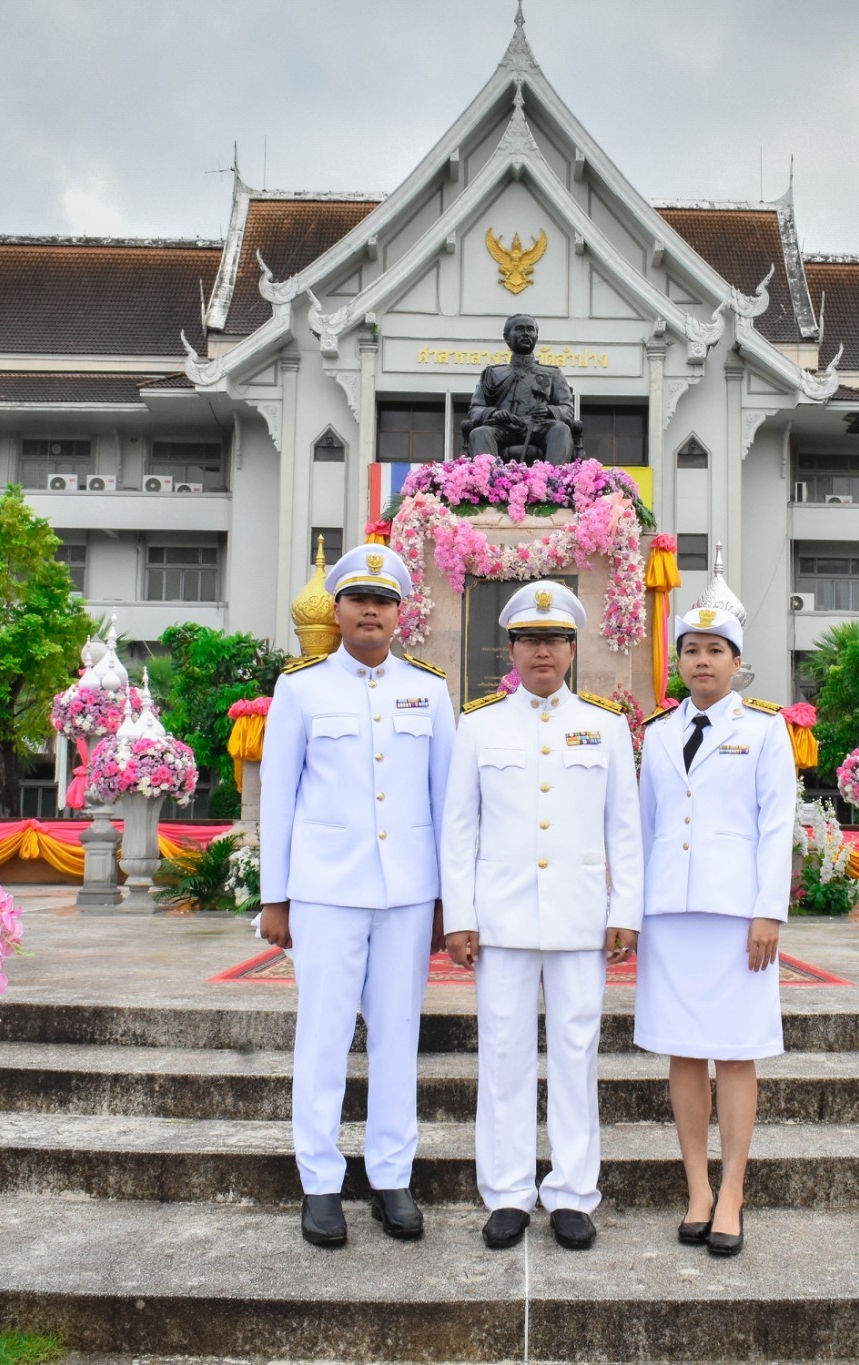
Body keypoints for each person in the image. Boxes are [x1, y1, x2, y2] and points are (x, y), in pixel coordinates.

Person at [257, 544, 455, 1248]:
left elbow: (446, 802)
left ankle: (392, 1176)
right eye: (359, 600)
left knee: (399, 1034)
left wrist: (449, 903)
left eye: (383, 601)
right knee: (324, 1035)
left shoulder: (429, 690)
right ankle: (319, 1181)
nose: (371, 611)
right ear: (337, 611)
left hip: (407, 893)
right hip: (325, 891)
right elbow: (278, 797)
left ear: (401, 614)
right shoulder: (301, 688)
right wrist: (274, 898)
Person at [440, 580, 642, 1251]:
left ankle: (573, 1193)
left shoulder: (606, 726)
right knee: (503, 1053)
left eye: (555, 639)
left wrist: (626, 910)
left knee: (577, 1055)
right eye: (529, 639)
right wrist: (460, 916)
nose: (542, 651)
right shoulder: (480, 724)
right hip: (501, 919)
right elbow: (459, 829)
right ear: (513, 649)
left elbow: (625, 830)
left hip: (581, 919)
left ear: (573, 648)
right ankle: (506, 1192)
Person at [634, 603, 795, 1257]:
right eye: (691, 649)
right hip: (670, 913)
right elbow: (645, 826)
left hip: (735, 917)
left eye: (715, 649)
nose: (702, 660)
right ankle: (697, 1188)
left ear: (736, 662)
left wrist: (768, 911)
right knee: (682, 1051)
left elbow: (777, 823)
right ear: (678, 660)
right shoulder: (658, 732)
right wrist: (633, 912)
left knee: (733, 1051)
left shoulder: (764, 729)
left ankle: (733, 1192)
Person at [463, 314, 580, 463]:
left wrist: (549, 410)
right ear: (506, 337)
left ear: (536, 337)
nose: (526, 333)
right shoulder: (491, 374)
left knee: (561, 429)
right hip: (503, 428)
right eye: (519, 329)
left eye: (530, 329)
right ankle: (490, 476)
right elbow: (475, 409)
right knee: (479, 433)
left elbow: (567, 409)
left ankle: (553, 476)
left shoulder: (553, 373)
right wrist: (494, 413)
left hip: (539, 426)